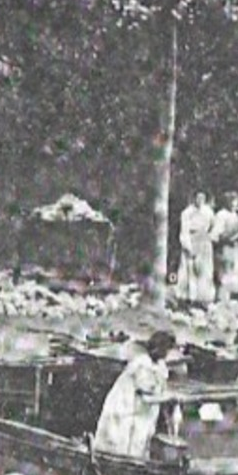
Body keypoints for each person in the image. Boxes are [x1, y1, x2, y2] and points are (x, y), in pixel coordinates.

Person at [92, 330, 175, 459]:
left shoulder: (160, 366)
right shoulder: (142, 364)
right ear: (157, 348)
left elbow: (160, 387)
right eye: (164, 350)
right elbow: (145, 392)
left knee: (141, 438)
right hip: (127, 406)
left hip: (142, 410)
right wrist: (166, 397)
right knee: (120, 437)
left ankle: (133, 462)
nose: (166, 354)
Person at [178, 192, 216, 305]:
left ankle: (204, 299)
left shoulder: (208, 212)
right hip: (192, 239)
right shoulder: (187, 212)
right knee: (190, 269)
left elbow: (213, 226)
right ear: (193, 198)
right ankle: (188, 298)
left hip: (204, 242)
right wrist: (188, 246)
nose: (200, 200)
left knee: (205, 270)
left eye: (203, 198)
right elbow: (184, 230)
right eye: (198, 197)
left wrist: (209, 237)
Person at [210, 193, 238, 303]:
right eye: (232, 202)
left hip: (233, 248)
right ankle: (219, 299)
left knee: (231, 273)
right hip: (223, 247)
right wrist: (226, 237)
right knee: (222, 273)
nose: (234, 205)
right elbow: (216, 234)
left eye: (236, 203)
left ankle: (226, 299)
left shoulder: (235, 216)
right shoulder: (221, 215)